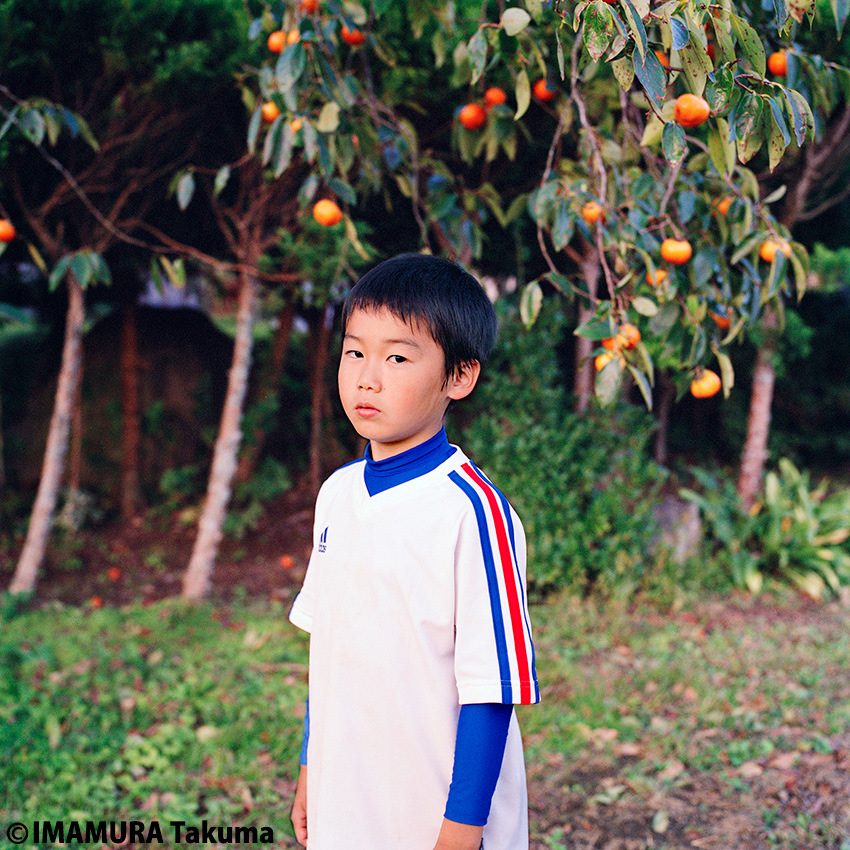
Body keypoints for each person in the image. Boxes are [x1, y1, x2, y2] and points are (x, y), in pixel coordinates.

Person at [289, 253, 540, 850]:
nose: (367, 377)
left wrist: (461, 830)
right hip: (348, 795)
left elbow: (492, 690)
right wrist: (309, 769)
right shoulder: (337, 495)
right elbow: (327, 654)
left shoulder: (475, 516)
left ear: (459, 377)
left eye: (397, 356)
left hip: (437, 815)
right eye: (355, 352)